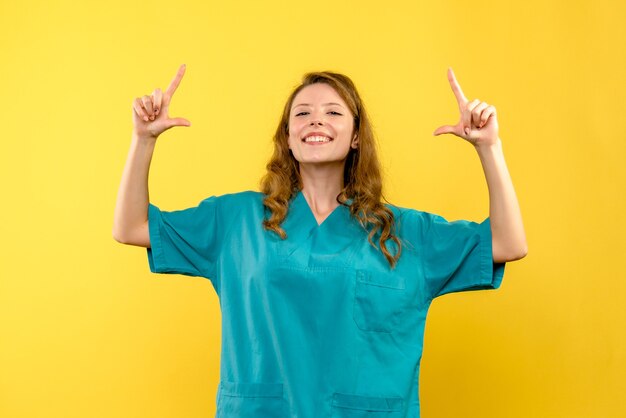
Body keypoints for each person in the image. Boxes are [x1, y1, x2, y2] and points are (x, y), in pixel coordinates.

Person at [113, 64, 527, 418]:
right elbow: (131, 226)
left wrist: (489, 147)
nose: (316, 120)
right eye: (302, 113)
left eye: (333, 112)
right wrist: (143, 140)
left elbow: (508, 243)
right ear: (288, 138)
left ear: (356, 137)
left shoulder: (404, 232)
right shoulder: (235, 221)